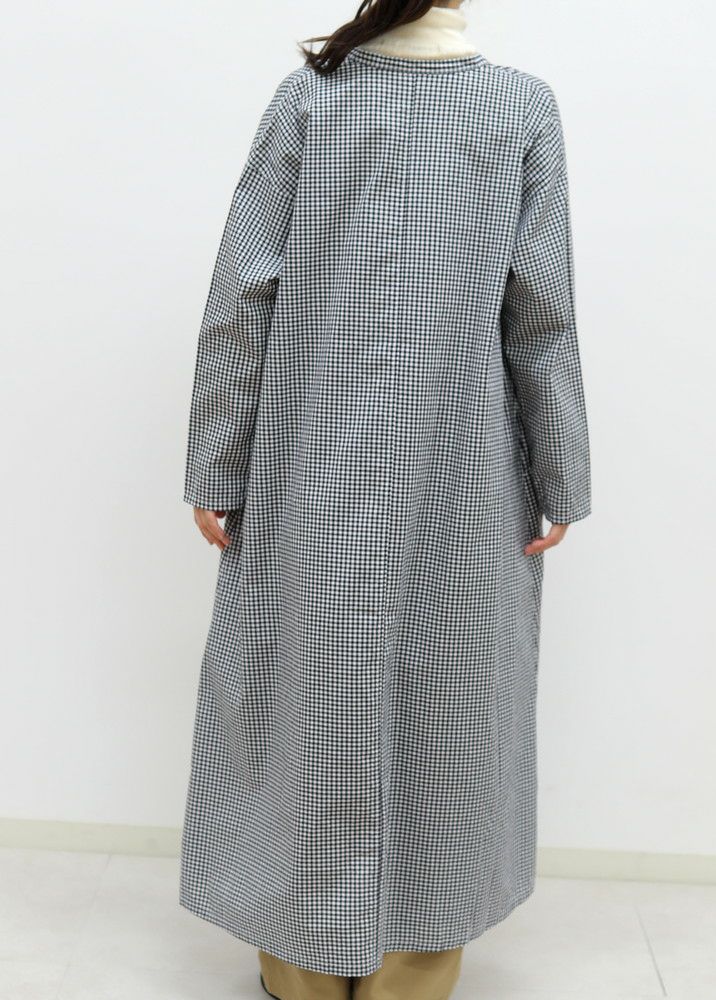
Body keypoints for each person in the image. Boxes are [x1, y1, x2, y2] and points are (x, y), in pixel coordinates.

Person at [180, 0, 592, 997]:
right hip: (465, 466)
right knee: (452, 704)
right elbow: (540, 312)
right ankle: (414, 968)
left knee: (300, 696)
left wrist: (217, 464)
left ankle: (301, 965)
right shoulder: (520, 107)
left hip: (307, 461)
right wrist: (560, 474)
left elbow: (242, 295)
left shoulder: (310, 99)